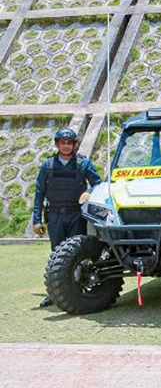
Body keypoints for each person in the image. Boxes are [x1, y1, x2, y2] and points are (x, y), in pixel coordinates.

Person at [32, 128, 102, 307]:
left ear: (73, 145)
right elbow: (39, 193)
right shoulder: (47, 166)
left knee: (76, 254)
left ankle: (77, 289)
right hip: (55, 215)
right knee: (57, 255)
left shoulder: (83, 164)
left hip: (76, 215)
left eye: (69, 143)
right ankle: (55, 293)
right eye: (62, 142)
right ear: (57, 144)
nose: (65, 146)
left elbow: (98, 183)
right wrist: (36, 220)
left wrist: (89, 192)